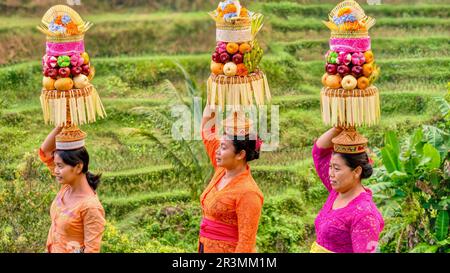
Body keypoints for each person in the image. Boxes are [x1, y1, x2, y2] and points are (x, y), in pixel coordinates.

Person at [198, 107, 264, 253]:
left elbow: (246, 244)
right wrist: (214, 97)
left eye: (223, 147)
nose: (217, 151)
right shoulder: (221, 171)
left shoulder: (249, 193)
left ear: (240, 154)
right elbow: (208, 131)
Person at [311, 127, 384, 253]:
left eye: (337, 169)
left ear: (356, 171)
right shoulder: (337, 191)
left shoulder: (365, 215)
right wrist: (338, 128)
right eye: (330, 167)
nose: (331, 174)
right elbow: (319, 152)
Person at [39, 126, 106, 253]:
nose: (55, 170)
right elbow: (45, 153)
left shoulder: (90, 207)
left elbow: (91, 250)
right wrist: (60, 125)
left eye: (60, 166)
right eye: (55, 165)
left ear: (78, 167)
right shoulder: (66, 187)